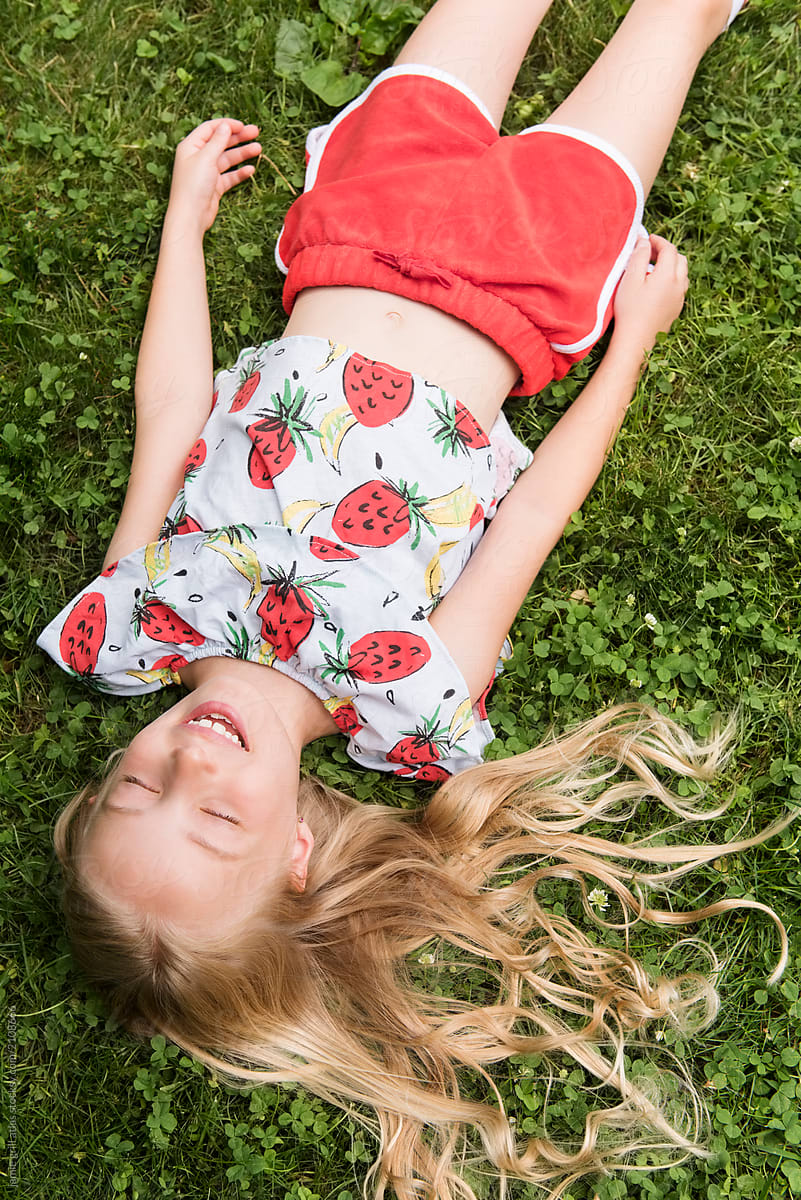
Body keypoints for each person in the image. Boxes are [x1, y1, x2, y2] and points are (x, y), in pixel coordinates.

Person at [39, 1, 790, 1196]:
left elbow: (171, 414)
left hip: (354, 226)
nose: (188, 767)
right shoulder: (409, 703)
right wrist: (635, 338)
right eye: (215, 819)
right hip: (529, 279)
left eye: (137, 786)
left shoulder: (137, 623)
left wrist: (183, 228)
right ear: (295, 853)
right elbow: (534, 516)